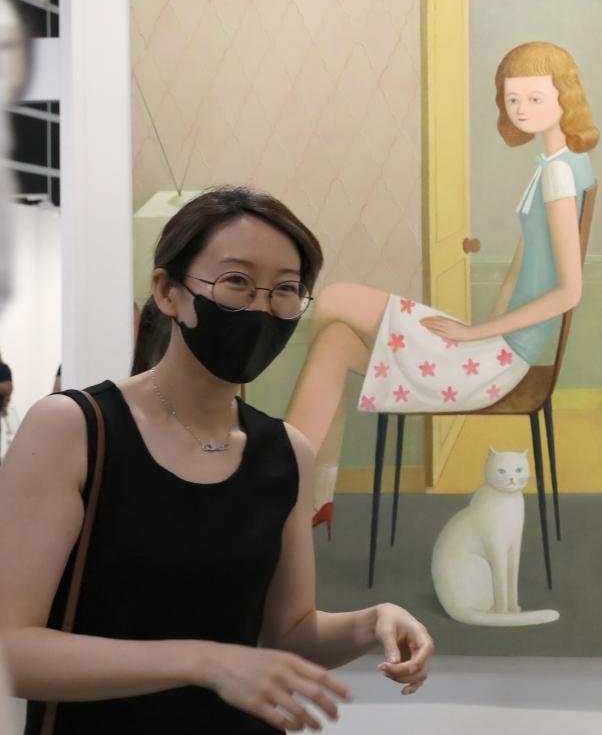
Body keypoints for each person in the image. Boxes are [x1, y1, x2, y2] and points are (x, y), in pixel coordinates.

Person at [0, 186, 434, 734]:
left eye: (285, 290)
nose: (261, 307)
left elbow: (291, 633)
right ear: (169, 292)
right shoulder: (75, 429)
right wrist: (203, 661)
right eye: (237, 282)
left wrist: (373, 622)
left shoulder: (286, 453)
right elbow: (10, 649)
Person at [284, 40, 599, 532]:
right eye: (513, 99)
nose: (521, 110)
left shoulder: (559, 174)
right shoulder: (558, 165)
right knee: (333, 343)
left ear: (566, 96)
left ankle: (283, 494)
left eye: (535, 98)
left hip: (500, 361)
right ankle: (310, 498)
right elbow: (520, 266)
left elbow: (569, 292)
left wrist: (475, 336)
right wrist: (482, 329)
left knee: (334, 300)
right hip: (492, 344)